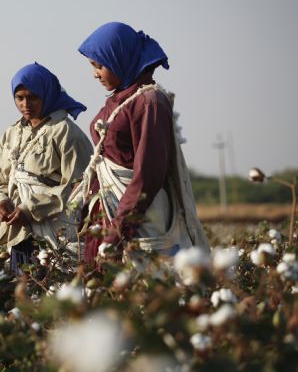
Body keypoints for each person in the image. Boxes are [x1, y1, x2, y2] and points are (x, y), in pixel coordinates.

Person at [70, 22, 209, 264]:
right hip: (109, 212)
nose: (95, 74)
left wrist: (120, 229)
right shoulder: (118, 99)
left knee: (140, 290)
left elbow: (148, 175)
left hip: (138, 217)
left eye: (99, 66)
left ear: (118, 58)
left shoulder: (150, 102)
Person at [0, 63, 93, 271]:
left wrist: (30, 209)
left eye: (33, 97)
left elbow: (78, 186)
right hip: (19, 233)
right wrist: (1, 201)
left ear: (47, 94)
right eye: (20, 98)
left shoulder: (66, 133)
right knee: (24, 294)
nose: (26, 104)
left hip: (58, 232)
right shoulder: (12, 134)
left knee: (58, 294)